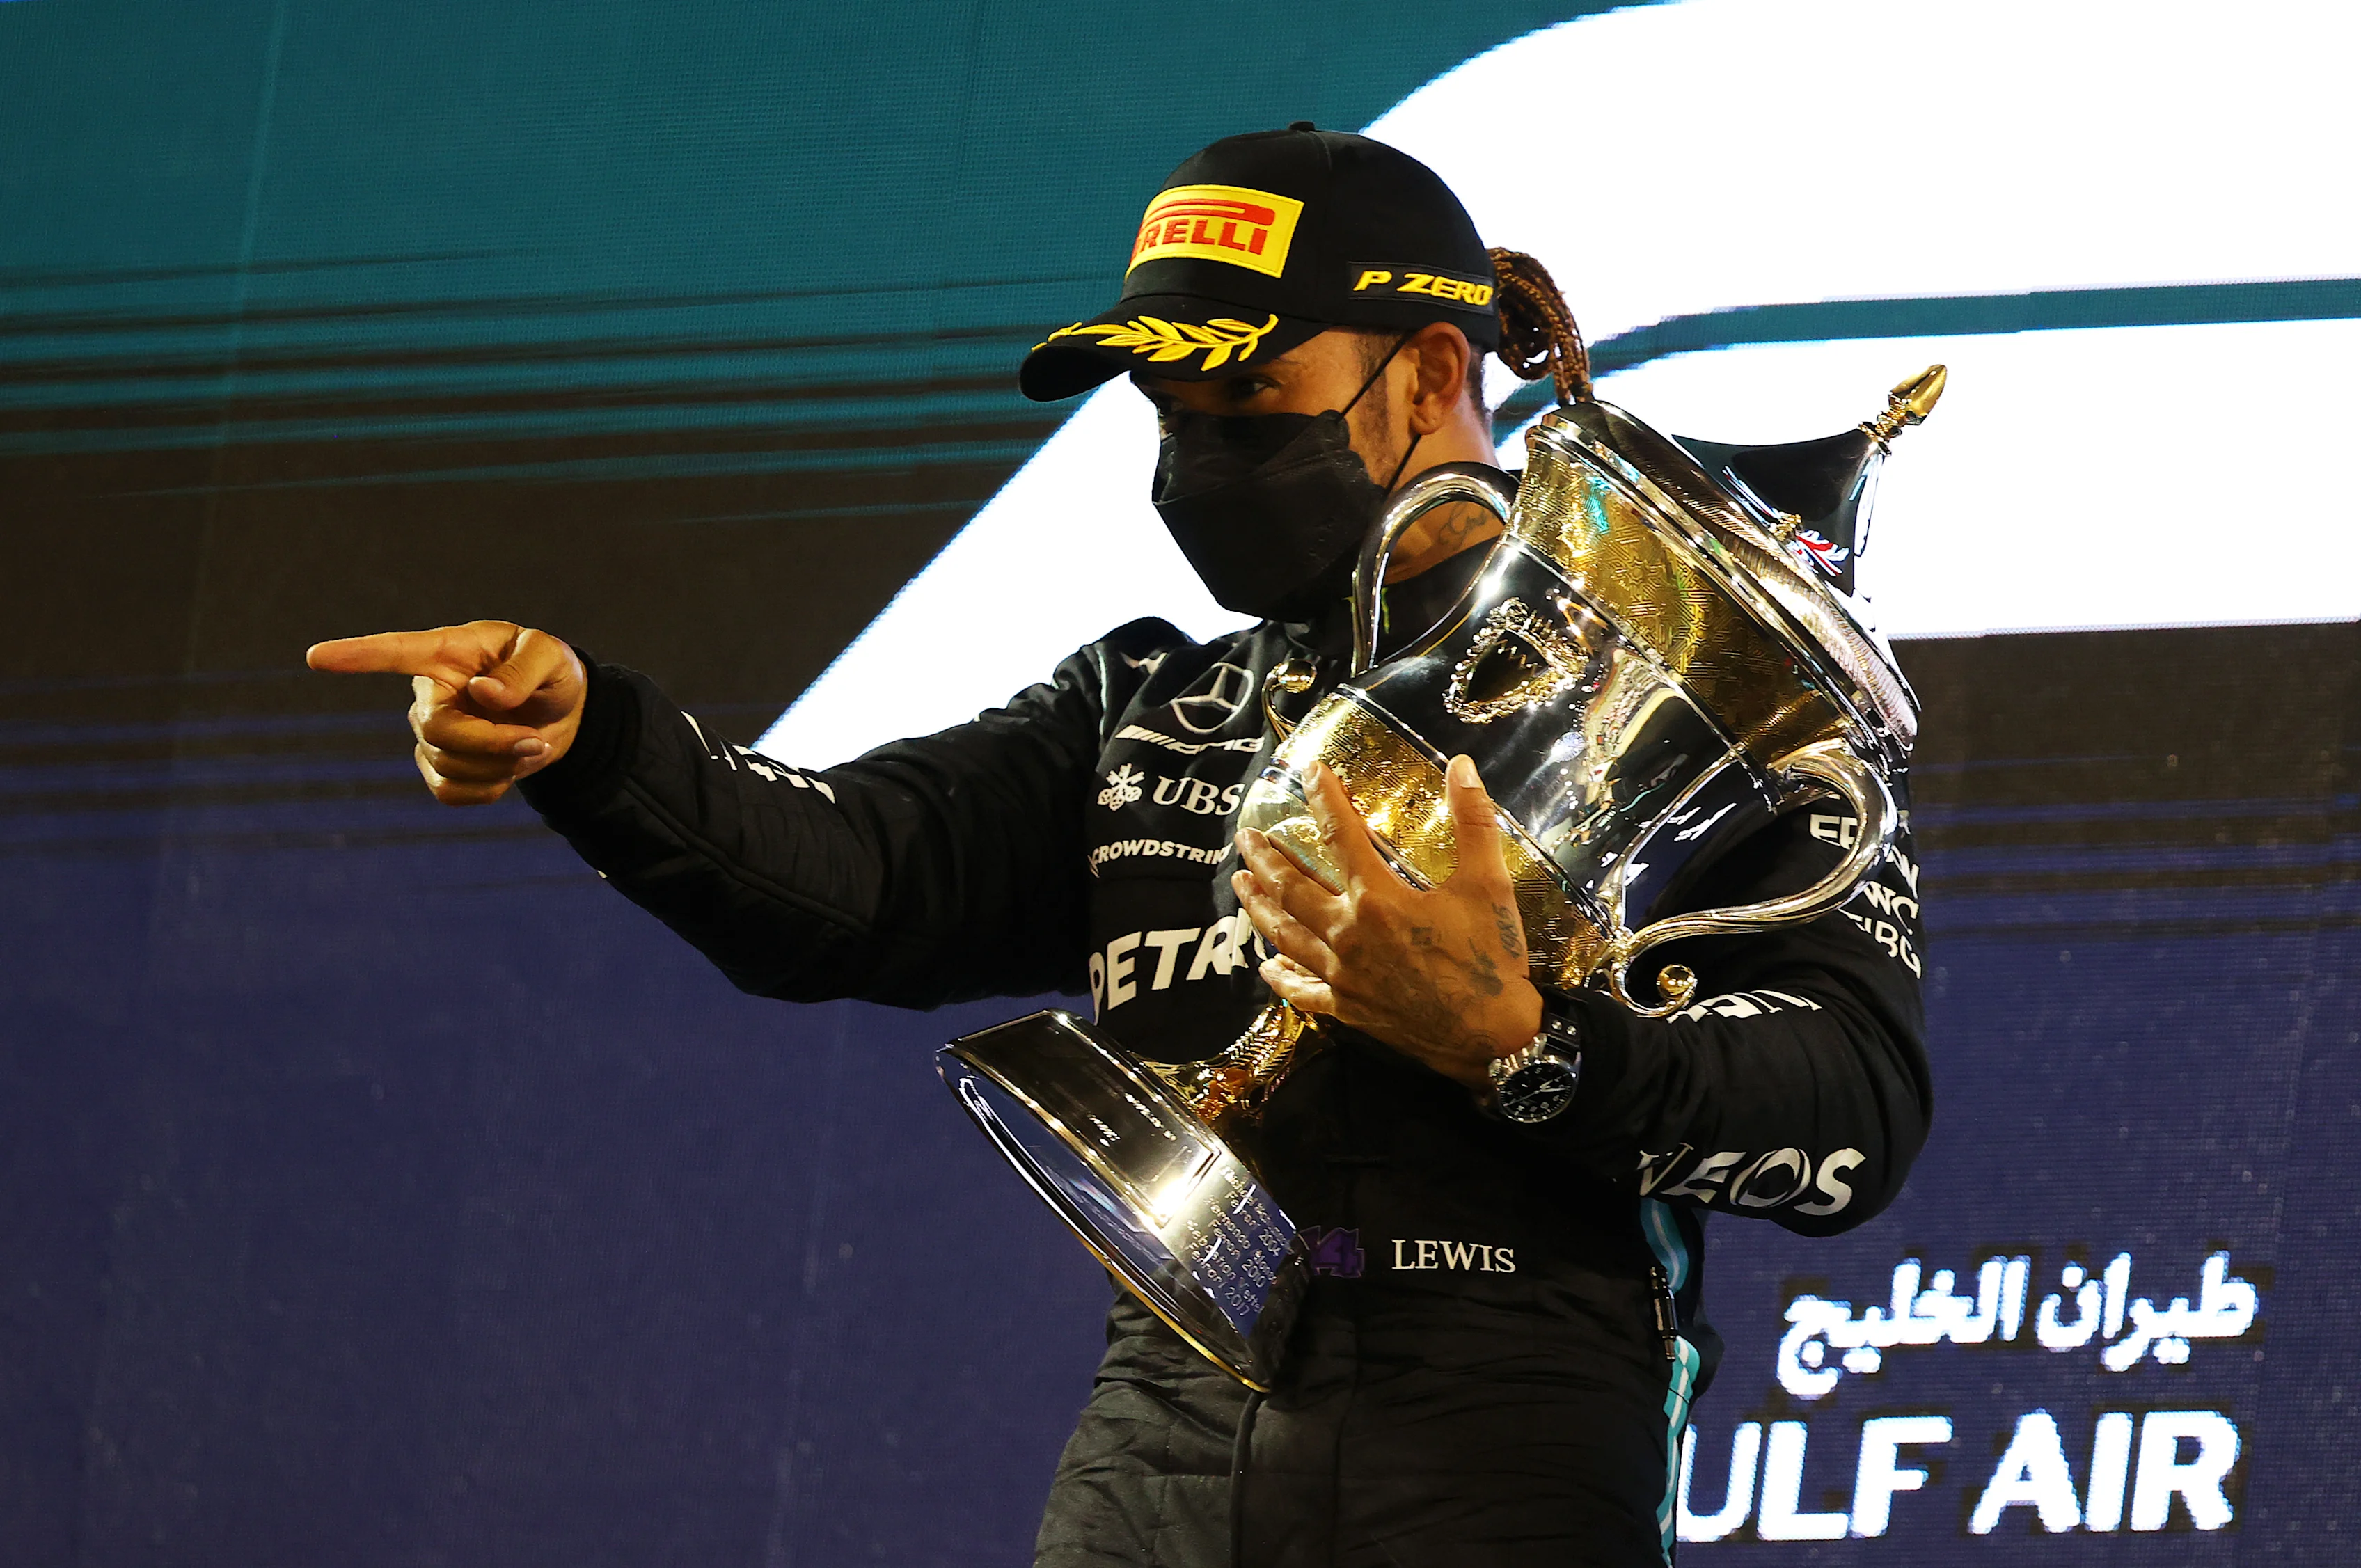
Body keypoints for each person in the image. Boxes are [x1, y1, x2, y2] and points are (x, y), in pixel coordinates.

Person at [309, 125, 1930, 1567]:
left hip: (1506, 1404)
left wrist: (1525, 1043)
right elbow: (846, 882)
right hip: (1171, 1405)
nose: (1196, 458)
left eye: (1246, 400)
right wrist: (590, 737)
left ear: (1432, 374)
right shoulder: (1149, 706)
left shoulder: (1708, 698)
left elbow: (1850, 1116)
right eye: (1167, 409)